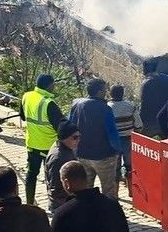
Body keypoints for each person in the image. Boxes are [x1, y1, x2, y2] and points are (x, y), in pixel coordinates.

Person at [68, 78, 122, 200]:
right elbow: (112, 133)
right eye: (104, 90)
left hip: (81, 153)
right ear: (99, 91)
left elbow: (69, 126)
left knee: (84, 190)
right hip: (104, 156)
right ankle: (109, 215)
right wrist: (118, 150)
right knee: (108, 191)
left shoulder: (76, 105)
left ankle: (87, 214)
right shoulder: (105, 108)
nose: (106, 92)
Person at [20, 74, 64, 206]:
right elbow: (61, 126)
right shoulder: (48, 103)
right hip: (49, 146)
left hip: (32, 143)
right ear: (49, 86)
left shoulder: (26, 96)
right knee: (52, 176)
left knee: (31, 174)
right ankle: (54, 204)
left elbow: (23, 117)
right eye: (53, 85)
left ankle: (29, 203)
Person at [109, 85, 142, 190]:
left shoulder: (107, 107)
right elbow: (139, 124)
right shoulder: (130, 106)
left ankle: (116, 193)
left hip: (113, 141)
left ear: (110, 94)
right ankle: (131, 191)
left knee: (115, 168)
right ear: (122, 93)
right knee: (130, 167)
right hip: (128, 139)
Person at [44, 122, 80, 213]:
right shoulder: (58, 158)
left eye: (79, 137)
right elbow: (55, 188)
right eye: (75, 137)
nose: (78, 140)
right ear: (64, 138)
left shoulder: (66, 148)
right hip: (62, 205)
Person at [138, 60, 168, 138]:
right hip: (167, 121)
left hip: (150, 124)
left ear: (144, 70)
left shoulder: (146, 84)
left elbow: (144, 106)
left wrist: (140, 123)